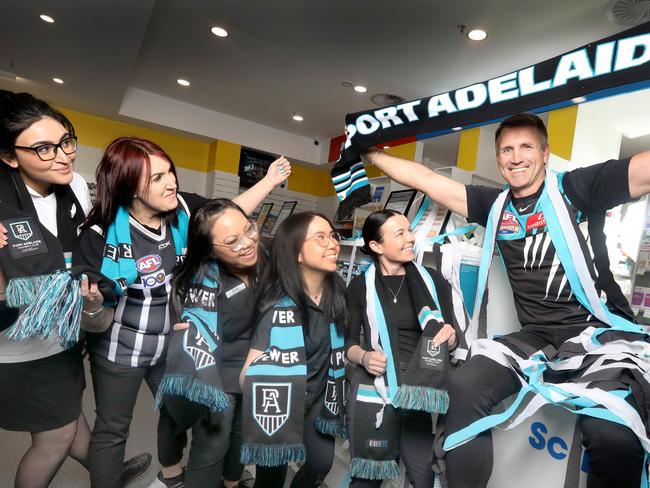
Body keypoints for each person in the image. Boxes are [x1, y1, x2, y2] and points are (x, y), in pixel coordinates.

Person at [361, 112, 650, 487]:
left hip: (596, 335)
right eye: (506, 150)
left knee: (614, 434)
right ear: (498, 159)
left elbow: (643, 170)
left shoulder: (578, 188)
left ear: (545, 153)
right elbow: (427, 180)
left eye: (526, 147)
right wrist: (370, 153)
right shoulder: (494, 205)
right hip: (536, 336)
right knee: (463, 387)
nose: (516, 158)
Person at [72, 136, 290, 488]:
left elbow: (227, 215)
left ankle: (172, 473)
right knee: (112, 430)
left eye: (168, 171)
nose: (171, 181)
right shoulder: (97, 236)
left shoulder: (184, 211)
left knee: (189, 411)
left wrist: (268, 181)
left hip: (174, 344)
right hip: (119, 348)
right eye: (156, 178)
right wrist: (93, 308)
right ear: (129, 187)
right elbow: (93, 319)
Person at [0, 91, 149, 487]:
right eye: (44, 149)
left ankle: (109, 473)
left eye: (66, 141)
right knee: (56, 437)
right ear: (10, 157)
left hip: (62, 336)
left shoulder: (76, 189)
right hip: (18, 348)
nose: (63, 155)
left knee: (69, 420)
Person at [160, 198, 269, 488]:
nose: (247, 243)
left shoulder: (265, 261)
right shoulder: (205, 280)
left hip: (255, 373)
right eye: (233, 241)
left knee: (241, 443)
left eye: (249, 230)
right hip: (216, 380)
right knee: (212, 448)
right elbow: (196, 340)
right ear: (209, 249)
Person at [345, 209, 456, 488]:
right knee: (368, 477)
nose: (411, 238)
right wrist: (365, 356)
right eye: (400, 233)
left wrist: (451, 338)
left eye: (409, 230)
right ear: (376, 246)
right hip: (376, 388)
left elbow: (452, 338)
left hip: (419, 388)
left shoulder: (433, 280)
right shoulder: (361, 286)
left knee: (423, 476)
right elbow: (349, 344)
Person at [240, 212, 348, 488]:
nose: (333, 244)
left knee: (320, 463)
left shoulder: (338, 293)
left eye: (333, 236)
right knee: (271, 479)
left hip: (320, 397)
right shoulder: (276, 304)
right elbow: (246, 375)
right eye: (320, 238)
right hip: (281, 402)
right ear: (296, 252)